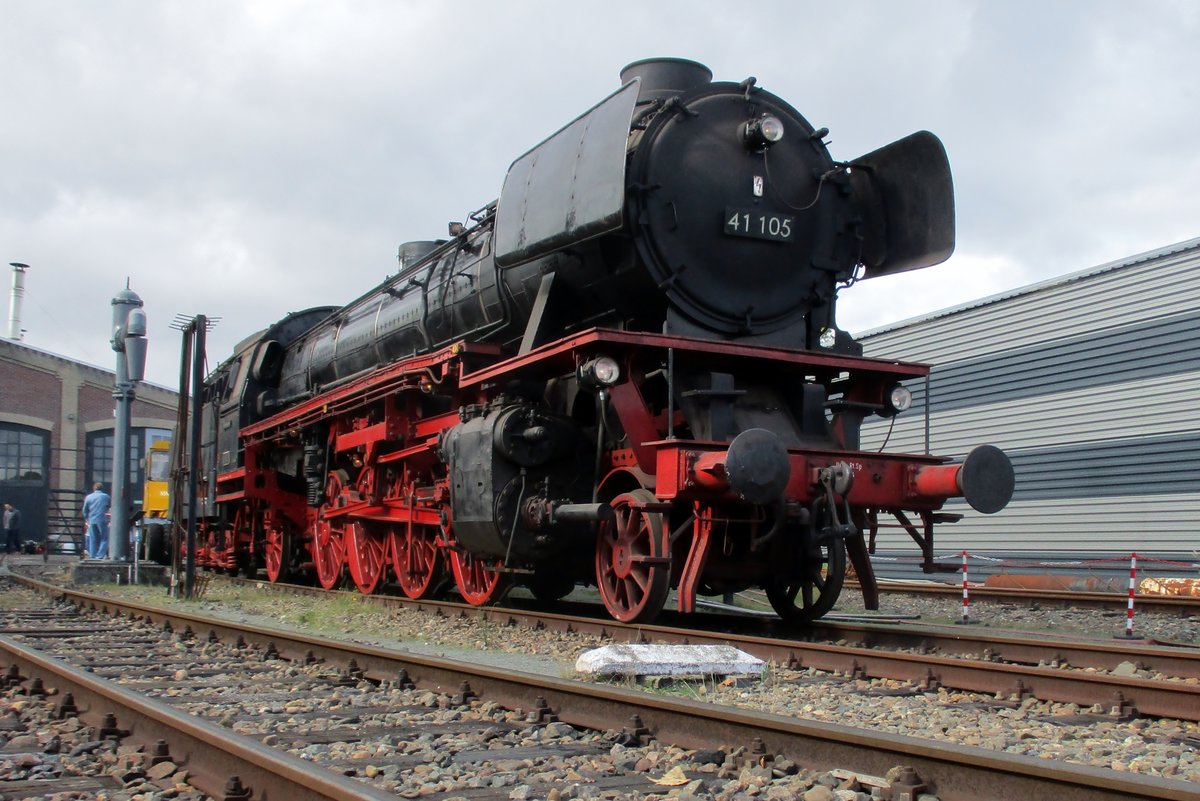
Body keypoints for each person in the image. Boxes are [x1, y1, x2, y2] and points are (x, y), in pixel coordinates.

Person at [82, 483, 111, 559]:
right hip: (102, 519)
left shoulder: (88, 497)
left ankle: (93, 555)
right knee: (105, 538)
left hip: (92, 519)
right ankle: (100, 555)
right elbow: (110, 507)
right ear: (102, 488)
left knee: (93, 538)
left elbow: (85, 510)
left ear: (94, 488)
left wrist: (87, 519)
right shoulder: (106, 497)